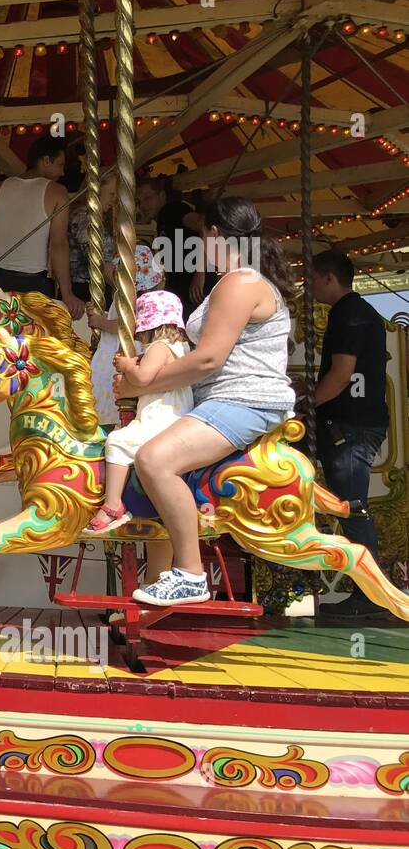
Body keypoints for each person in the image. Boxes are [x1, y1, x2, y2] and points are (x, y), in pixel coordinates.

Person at [116, 197, 295, 607]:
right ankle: (162, 574)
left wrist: (143, 384)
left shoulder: (241, 283)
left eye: (199, 237)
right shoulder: (236, 281)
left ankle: (191, 575)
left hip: (241, 399)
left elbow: (209, 358)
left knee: (154, 459)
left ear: (214, 234)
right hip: (217, 399)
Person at [309, 249, 391, 619]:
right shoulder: (361, 314)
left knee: (352, 505)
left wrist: (307, 403)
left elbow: (341, 375)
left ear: (329, 278)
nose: (309, 286)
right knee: (349, 504)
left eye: (312, 278)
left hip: (350, 425)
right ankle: (367, 590)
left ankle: (371, 594)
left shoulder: (347, 314)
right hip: (356, 421)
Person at [87, 292, 194, 533]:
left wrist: (128, 366)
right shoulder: (180, 346)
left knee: (117, 440)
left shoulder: (159, 347)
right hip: (174, 412)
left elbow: (143, 377)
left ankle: (113, 504)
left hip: (161, 415)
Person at [0, 136, 84, 317]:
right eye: (60, 165)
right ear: (45, 161)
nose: (62, 173)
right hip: (33, 284)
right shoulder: (57, 192)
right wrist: (67, 292)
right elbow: (58, 244)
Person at [88, 243, 162, 428]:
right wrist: (102, 316)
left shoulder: (132, 299)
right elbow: (118, 318)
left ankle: (110, 425)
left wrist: (100, 322)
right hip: (113, 349)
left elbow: (127, 325)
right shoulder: (123, 296)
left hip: (120, 352)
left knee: (107, 388)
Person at [138, 175, 205, 318]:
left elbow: (203, 226)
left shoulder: (173, 209)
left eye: (148, 199)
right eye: (139, 202)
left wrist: (200, 273)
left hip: (193, 290)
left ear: (162, 195)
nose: (143, 206)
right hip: (184, 290)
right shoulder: (162, 220)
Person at [68, 174, 117, 309]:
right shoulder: (84, 218)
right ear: (96, 191)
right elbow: (95, 258)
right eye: (111, 194)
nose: (114, 200)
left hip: (96, 286)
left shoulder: (98, 219)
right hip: (86, 289)